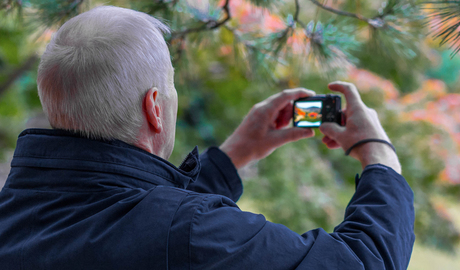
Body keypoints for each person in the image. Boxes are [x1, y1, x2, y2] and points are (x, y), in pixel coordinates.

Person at [0, 6, 414, 270]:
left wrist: (236, 155)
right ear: (155, 107)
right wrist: (377, 153)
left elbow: (136, 227)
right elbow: (363, 264)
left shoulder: (14, 212)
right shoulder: (195, 234)